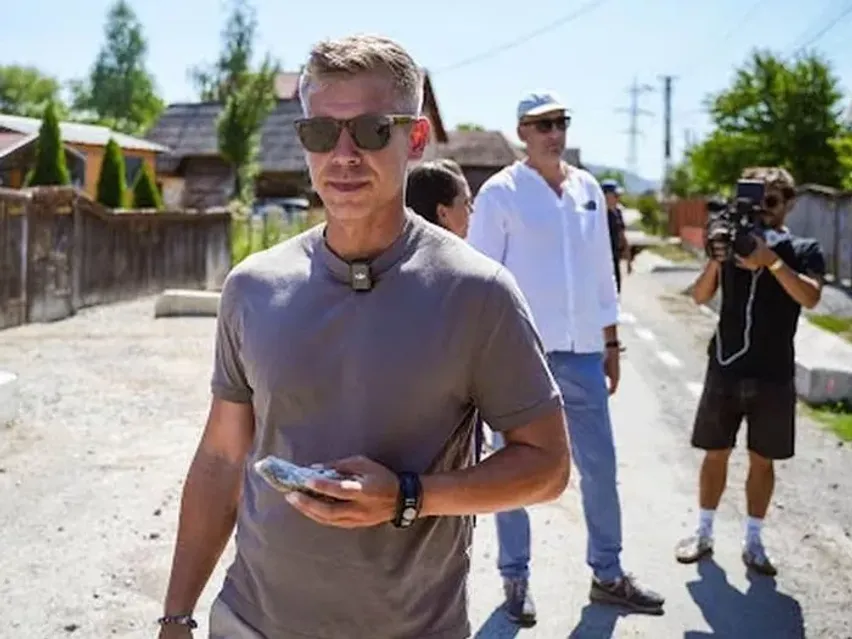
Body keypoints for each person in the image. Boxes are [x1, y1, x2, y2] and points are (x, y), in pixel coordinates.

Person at [157, 35, 571, 639]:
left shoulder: (479, 293)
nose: (344, 155)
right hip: (251, 623)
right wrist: (176, 616)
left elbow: (548, 467)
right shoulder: (252, 287)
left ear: (416, 139)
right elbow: (222, 457)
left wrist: (408, 496)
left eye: (373, 131)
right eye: (322, 133)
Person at [467, 90, 665, 625]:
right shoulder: (500, 193)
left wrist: (611, 342)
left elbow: (603, 272)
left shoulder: (587, 189)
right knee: (512, 471)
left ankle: (608, 574)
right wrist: (483, 361)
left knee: (599, 467)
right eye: (543, 124)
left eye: (561, 122)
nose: (554, 133)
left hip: (582, 356)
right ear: (522, 132)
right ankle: (515, 577)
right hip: (521, 359)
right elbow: (482, 281)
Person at [675, 166, 825, 575]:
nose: (763, 209)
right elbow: (700, 296)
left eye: (772, 201)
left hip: (773, 373)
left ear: (790, 204)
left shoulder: (803, 248)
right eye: (756, 201)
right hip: (725, 366)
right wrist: (717, 259)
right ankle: (704, 532)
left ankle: (754, 540)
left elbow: (810, 297)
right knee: (715, 453)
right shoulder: (732, 242)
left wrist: (771, 261)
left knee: (763, 460)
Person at [601, 178, 632, 294]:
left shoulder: (617, 212)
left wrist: (628, 259)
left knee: (616, 291)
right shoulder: (598, 215)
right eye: (615, 195)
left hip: (615, 258)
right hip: (601, 262)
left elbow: (622, 235)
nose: (618, 198)